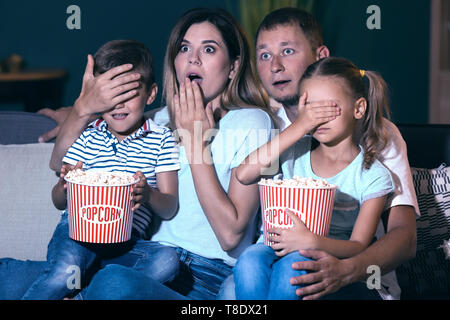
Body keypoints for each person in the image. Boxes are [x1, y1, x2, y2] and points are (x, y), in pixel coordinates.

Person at [31, 8, 274, 300]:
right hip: (146, 262)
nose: (193, 58)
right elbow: (59, 164)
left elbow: (230, 236)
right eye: (184, 48)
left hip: (204, 276)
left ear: (233, 67)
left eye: (209, 49)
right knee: (9, 277)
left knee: (114, 283)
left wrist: (197, 143)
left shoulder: (251, 122)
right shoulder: (157, 121)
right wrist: (81, 110)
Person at [11, 40, 181, 300]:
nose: (119, 105)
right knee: (61, 273)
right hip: (78, 233)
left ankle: (84, 290)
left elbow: (169, 206)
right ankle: (75, 279)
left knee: (167, 261)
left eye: (129, 95)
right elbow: (58, 201)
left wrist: (147, 194)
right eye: (110, 97)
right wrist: (62, 187)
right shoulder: (88, 136)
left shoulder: (161, 139)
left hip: (127, 242)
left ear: (150, 94)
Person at [233, 56, 395, 300]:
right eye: (310, 109)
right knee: (247, 261)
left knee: (293, 267)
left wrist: (312, 241)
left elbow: (359, 245)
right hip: (272, 247)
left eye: (328, 108)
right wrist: (299, 127)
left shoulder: (372, 175)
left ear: (359, 108)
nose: (318, 118)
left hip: (326, 256)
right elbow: (244, 175)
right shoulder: (294, 152)